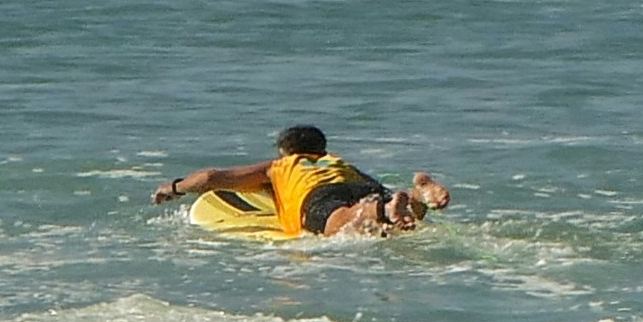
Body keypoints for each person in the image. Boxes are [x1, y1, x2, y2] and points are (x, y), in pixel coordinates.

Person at [150, 127, 452, 236]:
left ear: (285, 151)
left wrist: (173, 188)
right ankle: (416, 195)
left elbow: (210, 178)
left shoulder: (279, 167)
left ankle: (379, 212)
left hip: (319, 197)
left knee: (341, 221)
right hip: (363, 187)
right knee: (387, 206)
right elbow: (375, 186)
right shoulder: (336, 161)